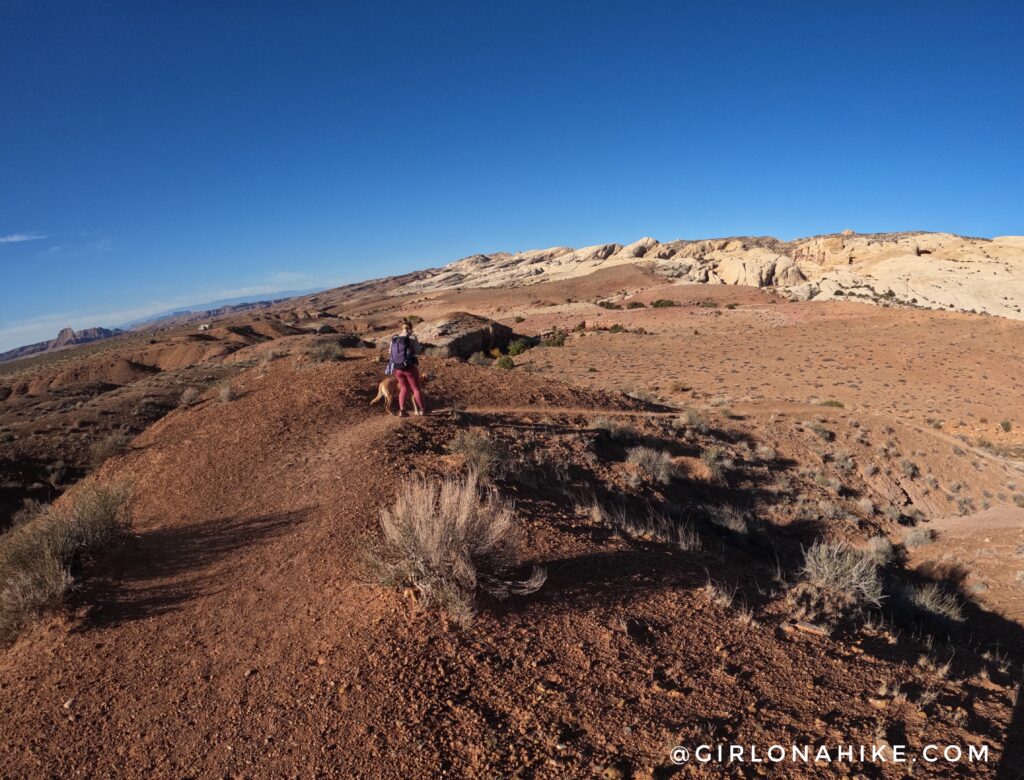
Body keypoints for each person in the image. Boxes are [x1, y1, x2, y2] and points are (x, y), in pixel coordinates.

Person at [388, 320, 426, 417]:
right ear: (411, 328)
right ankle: (423, 410)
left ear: (402, 328)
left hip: (397, 368)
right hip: (409, 368)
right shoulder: (412, 337)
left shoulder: (394, 338)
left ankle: (402, 411)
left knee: (404, 388)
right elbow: (417, 351)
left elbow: (390, 352)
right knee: (416, 389)